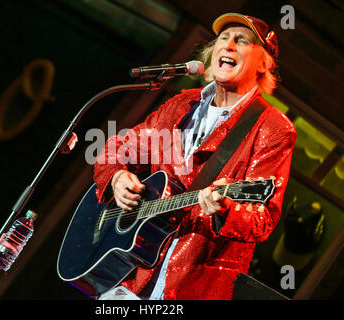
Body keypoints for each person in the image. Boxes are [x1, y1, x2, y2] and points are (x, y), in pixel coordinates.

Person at [93, 13, 297, 300]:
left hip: (191, 285)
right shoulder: (181, 104)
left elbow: (262, 219)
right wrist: (116, 175)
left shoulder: (273, 128)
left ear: (263, 63)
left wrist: (225, 209)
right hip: (128, 276)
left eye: (242, 41)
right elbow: (117, 147)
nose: (228, 46)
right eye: (223, 39)